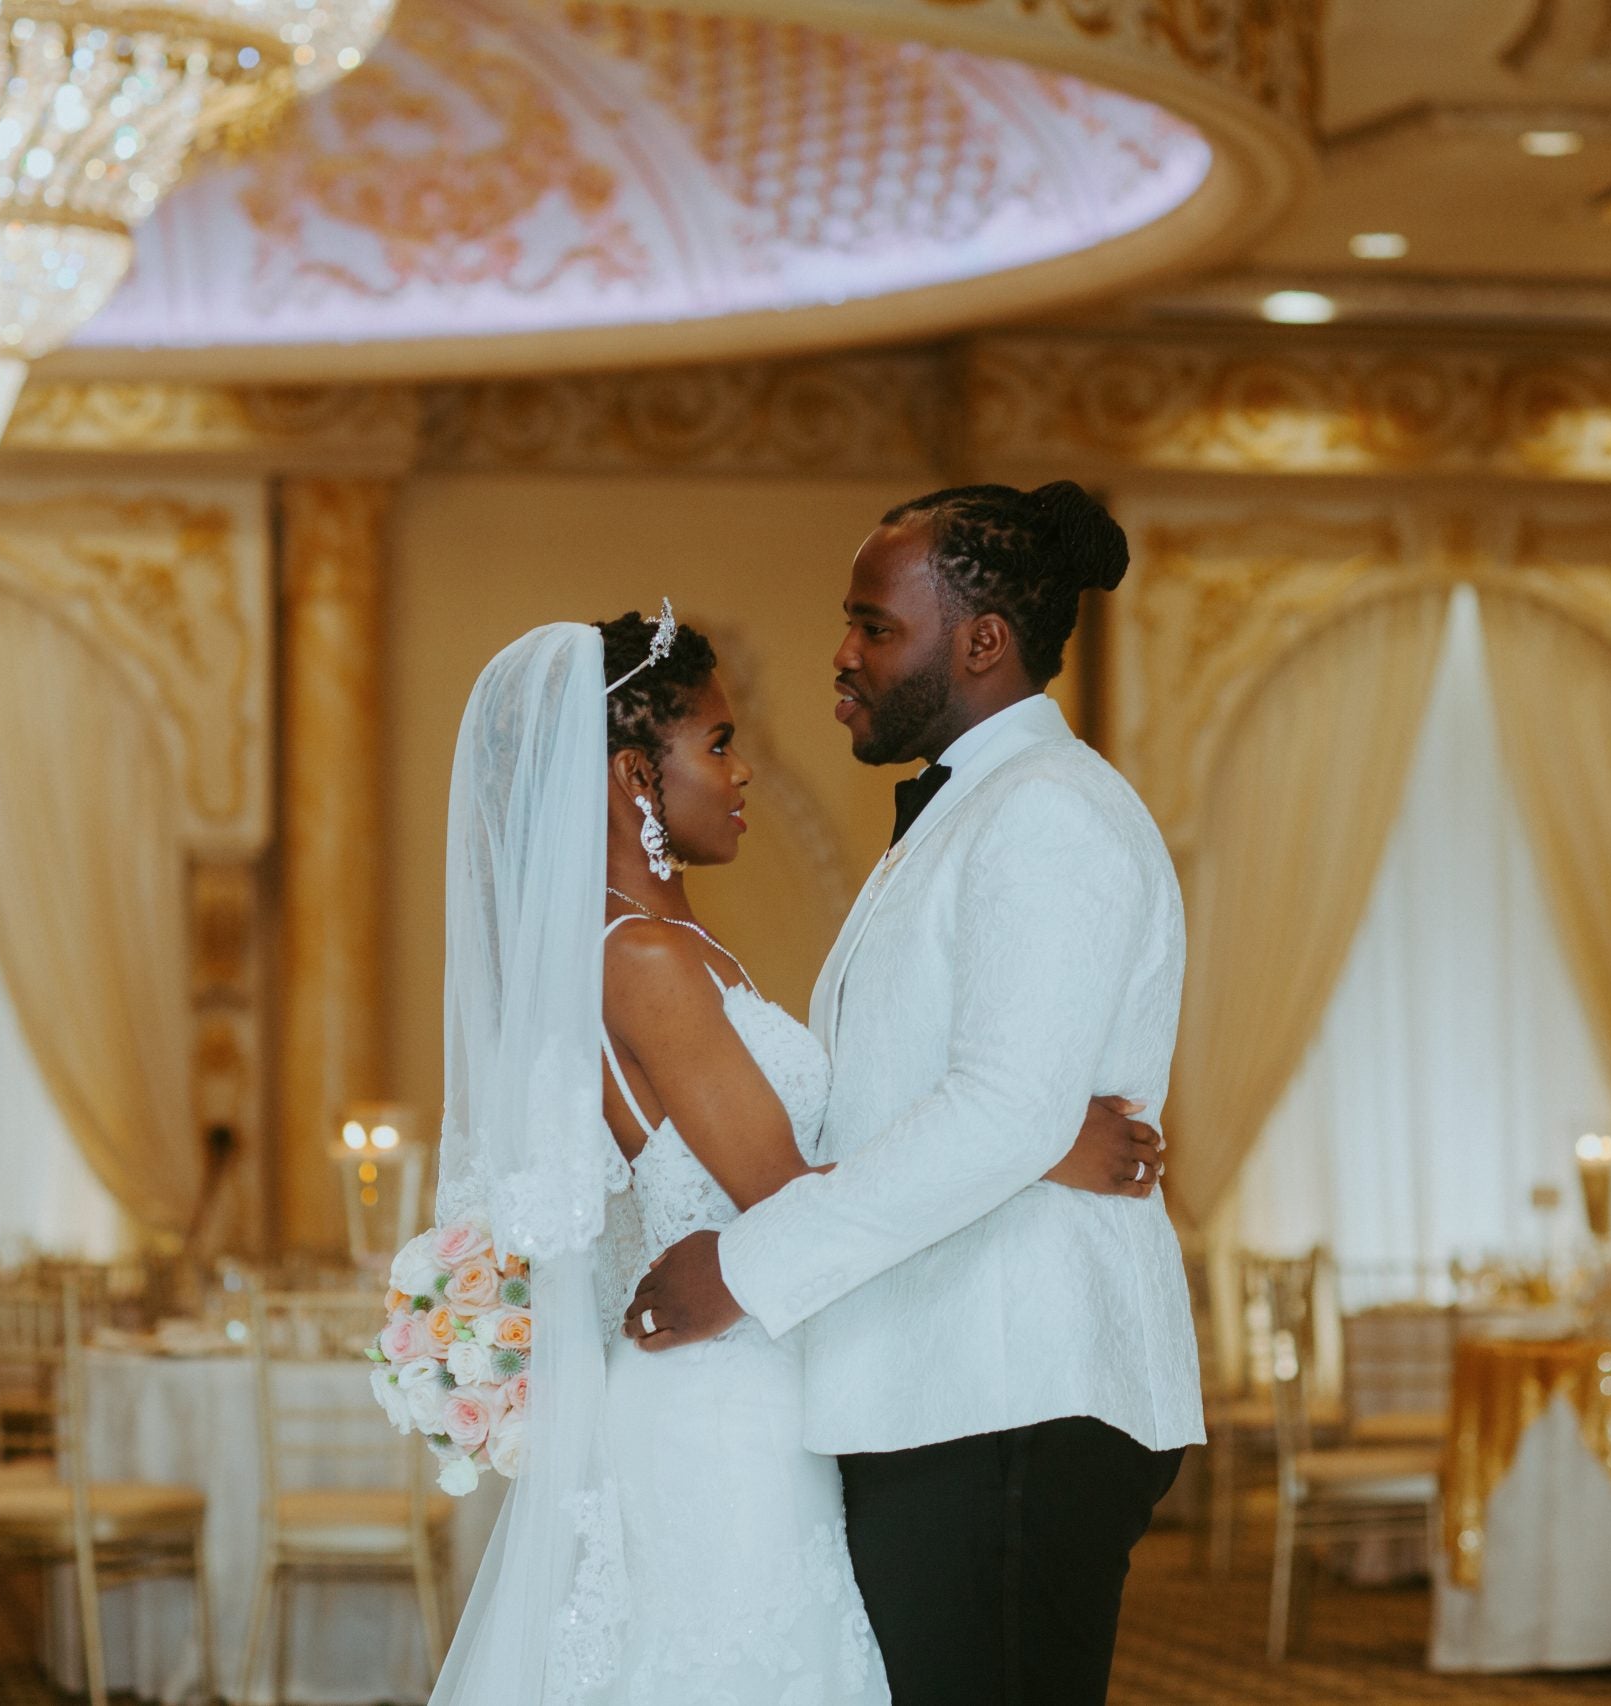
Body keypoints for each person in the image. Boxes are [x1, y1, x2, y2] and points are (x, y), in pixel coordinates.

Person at [424, 601, 1160, 1706]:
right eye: (717, 743)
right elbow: (784, 1197)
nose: (743, 771)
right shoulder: (644, 957)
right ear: (635, 776)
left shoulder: (670, 948)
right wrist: (1039, 1141)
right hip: (726, 1409)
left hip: (758, 1381)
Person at [627, 483, 1205, 1705]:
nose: (841, 654)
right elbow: (966, 1104)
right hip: (947, 1387)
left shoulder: (1047, 810)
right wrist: (1043, 1139)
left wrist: (742, 1266)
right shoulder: (968, 812)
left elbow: (1000, 1106)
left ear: (981, 640)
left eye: (874, 626)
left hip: (1010, 1392)